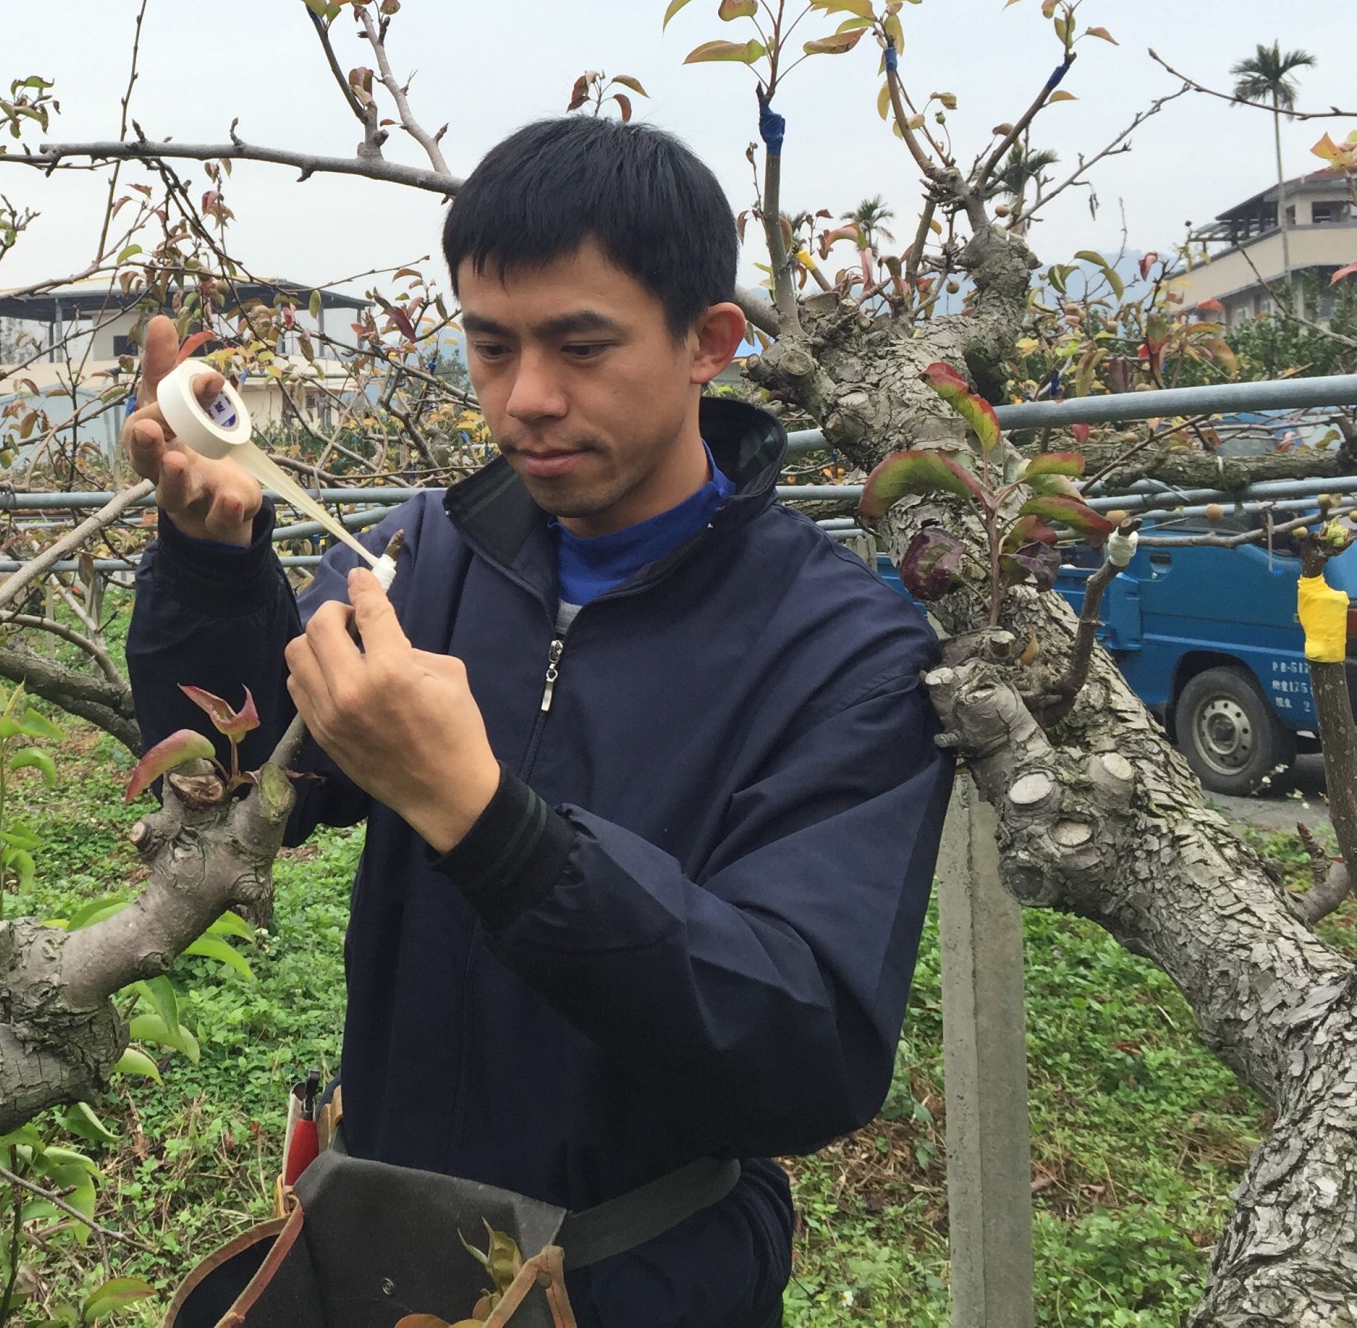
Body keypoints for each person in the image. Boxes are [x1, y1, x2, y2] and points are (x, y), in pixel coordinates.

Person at [122, 116, 951, 1328]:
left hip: (640, 1273)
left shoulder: (841, 650)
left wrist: (489, 822)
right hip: (385, 1246)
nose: (526, 399)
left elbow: (806, 1045)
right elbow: (258, 781)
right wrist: (206, 566)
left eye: (581, 344)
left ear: (706, 341)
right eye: (490, 344)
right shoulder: (431, 554)